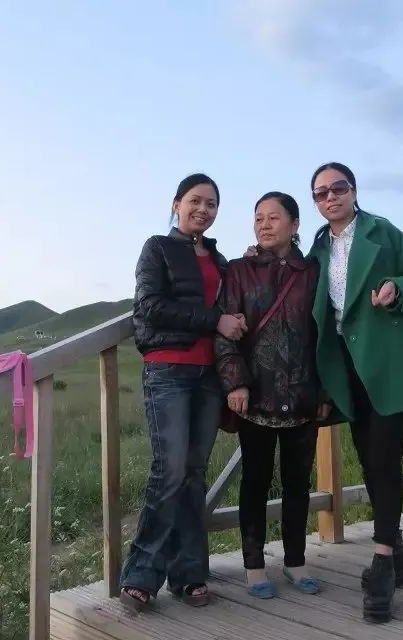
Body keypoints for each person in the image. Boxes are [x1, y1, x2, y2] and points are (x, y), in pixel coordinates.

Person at [307, 162, 403, 623]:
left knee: (383, 457)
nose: (330, 197)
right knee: (369, 457)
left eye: (338, 187)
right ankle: (394, 545)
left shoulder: (384, 232)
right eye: (321, 193)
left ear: (354, 190)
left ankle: (382, 563)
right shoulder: (318, 248)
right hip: (346, 370)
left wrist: (397, 289)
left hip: (387, 363)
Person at [119, 173, 247, 612]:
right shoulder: (157, 248)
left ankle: (189, 573)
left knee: (194, 473)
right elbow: (149, 306)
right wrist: (214, 320)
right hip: (168, 369)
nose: (203, 210)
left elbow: (236, 301)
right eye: (195, 201)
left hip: (209, 376)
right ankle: (141, 574)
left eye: (211, 204)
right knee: (169, 470)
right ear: (177, 204)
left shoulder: (221, 260)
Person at [215, 192, 331, 599]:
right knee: (255, 481)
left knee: (298, 483)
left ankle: (296, 562)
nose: (264, 225)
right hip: (256, 396)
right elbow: (225, 332)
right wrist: (235, 382)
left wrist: (325, 391)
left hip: (303, 396)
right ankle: (253, 566)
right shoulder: (239, 270)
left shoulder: (314, 272)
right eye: (258, 218)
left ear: (295, 225)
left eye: (274, 218)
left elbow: (326, 337)